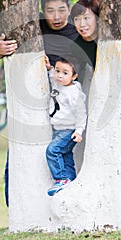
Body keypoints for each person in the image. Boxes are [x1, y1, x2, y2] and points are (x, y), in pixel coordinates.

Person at [0, 0, 79, 207]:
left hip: (65, 110)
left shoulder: (77, 33)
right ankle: (15, 211)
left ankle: (68, 203)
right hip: (32, 106)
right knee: (17, 159)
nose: (56, 17)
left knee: (62, 155)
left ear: (69, 9)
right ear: (42, 11)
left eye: (61, 10)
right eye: (50, 11)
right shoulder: (32, 29)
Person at [45, 56, 87, 196]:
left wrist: (79, 131)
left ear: (74, 76)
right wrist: (50, 68)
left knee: (53, 150)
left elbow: (81, 113)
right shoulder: (58, 83)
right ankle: (71, 180)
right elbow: (52, 76)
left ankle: (61, 178)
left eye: (65, 73)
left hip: (69, 130)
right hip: (58, 129)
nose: (59, 76)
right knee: (66, 155)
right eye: (58, 71)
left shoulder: (74, 93)